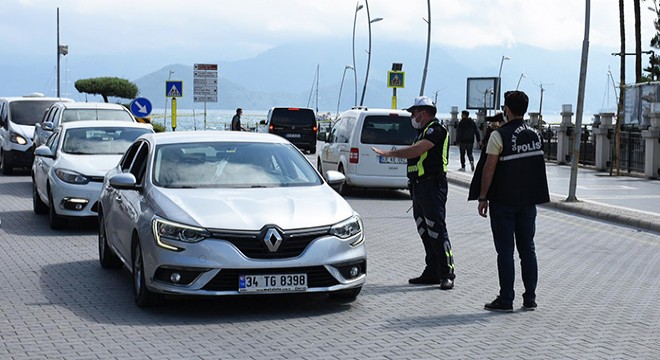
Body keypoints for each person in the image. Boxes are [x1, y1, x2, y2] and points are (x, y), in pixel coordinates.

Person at [372, 96, 455, 290]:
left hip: (433, 186)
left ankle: (447, 273)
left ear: (423, 112)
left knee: (437, 230)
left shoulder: (436, 130)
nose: (412, 116)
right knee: (424, 229)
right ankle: (432, 271)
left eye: (413, 112)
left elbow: (417, 151)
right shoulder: (422, 131)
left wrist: (389, 153)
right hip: (418, 186)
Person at [476, 90, 550, 312]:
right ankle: (530, 298)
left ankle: (506, 299)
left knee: (506, 251)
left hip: (504, 202)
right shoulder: (535, 134)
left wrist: (482, 197)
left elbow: (489, 169)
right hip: (528, 202)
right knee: (528, 248)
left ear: (506, 109)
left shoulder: (498, 136)